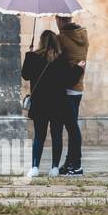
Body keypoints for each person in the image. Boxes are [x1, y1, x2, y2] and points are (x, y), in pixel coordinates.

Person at [20, 30, 81, 177]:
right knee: (56, 135)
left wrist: (28, 54)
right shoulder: (61, 59)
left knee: (39, 136)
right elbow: (69, 80)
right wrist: (79, 68)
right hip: (58, 104)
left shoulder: (33, 57)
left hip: (40, 104)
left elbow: (25, 75)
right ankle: (54, 168)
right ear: (56, 42)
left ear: (41, 42)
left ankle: (34, 167)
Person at [55, 14, 89, 175]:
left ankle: (76, 164)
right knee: (72, 126)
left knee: (72, 128)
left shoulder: (61, 38)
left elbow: (56, 61)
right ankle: (70, 162)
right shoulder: (83, 35)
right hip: (78, 87)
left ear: (60, 20)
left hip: (67, 88)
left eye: (56, 20)